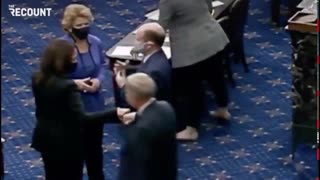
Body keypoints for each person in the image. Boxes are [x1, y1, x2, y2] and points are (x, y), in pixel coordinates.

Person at [31, 39, 130, 180]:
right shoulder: (69, 89)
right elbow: (83, 118)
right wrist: (115, 113)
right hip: (67, 143)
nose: (75, 61)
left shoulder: (37, 78)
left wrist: (73, 82)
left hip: (46, 138)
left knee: (52, 175)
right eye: (73, 58)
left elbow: (56, 86)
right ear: (63, 62)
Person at [158, 0, 231, 140]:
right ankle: (223, 109)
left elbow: (161, 27)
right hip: (212, 36)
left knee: (191, 88)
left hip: (189, 47)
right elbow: (209, 7)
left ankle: (191, 129)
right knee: (216, 76)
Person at [60, 4, 108, 179]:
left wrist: (98, 80)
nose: (83, 28)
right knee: (75, 153)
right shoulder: (62, 47)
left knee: (95, 150)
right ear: (69, 27)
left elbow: (102, 66)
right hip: (73, 104)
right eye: (79, 26)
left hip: (95, 102)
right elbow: (54, 78)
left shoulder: (95, 42)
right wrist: (75, 83)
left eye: (86, 24)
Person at [118, 73, 177, 180]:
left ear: (133, 96)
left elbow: (136, 169)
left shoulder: (140, 131)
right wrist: (138, 116)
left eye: (126, 92)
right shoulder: (166, 107)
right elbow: (154, 118)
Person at [114, 22, 172, 106]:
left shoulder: (153, 72)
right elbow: (144, 66)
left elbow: (140, 101)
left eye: (137, 40)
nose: (133, 42)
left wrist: (123, 86)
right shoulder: (157, 55)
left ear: (149, 45)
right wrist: (127, 67)